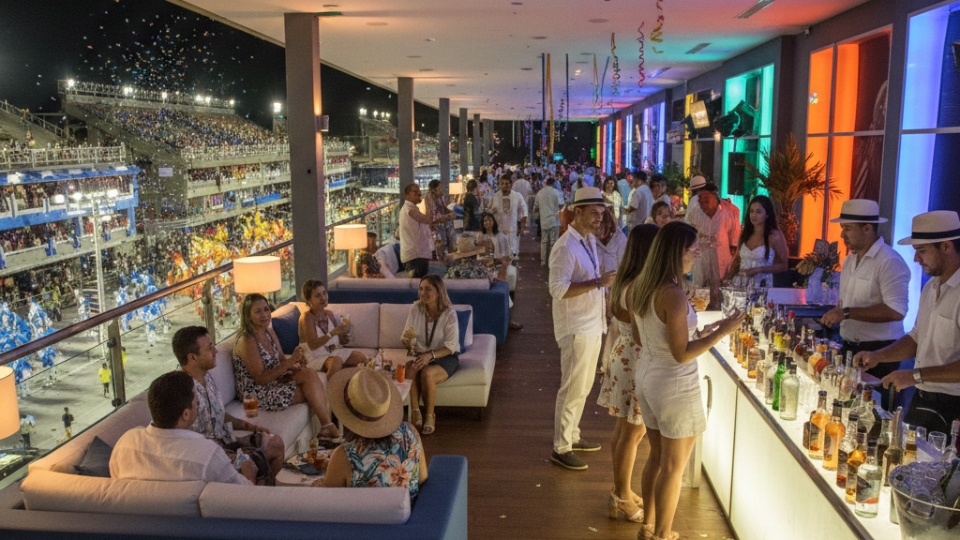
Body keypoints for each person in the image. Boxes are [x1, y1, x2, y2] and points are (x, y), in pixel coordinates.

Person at [628, 222, 743, 540]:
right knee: (673, 467)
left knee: (655, 456)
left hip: (648, 378)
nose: (696, 255)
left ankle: (649, 525)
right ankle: (663, 533)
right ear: (677, 253)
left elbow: (642, 335)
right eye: (693, 250)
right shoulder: (673, 294)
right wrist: (721, 331)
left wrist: (697, 333)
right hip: (676, 385)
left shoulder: (641, 286)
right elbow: (681, 354)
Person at [855, 210, 960, 432]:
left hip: (953, 407)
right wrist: (878, 356)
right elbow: (916, 337)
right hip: (923, 398)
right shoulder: (931, 287)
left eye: (921, 251)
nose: (915, 258)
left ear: (947, 247)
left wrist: (915, 375)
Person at [548, 187, 617, 471]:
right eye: (593, 212)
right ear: (577, 212)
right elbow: (557, 289)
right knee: (573, 387)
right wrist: (598, 283)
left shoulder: (586, 240)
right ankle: (561, 446)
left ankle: (572, 435)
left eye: (601, 213)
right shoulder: (565, 247)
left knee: (584, 386)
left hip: (590, 324)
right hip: (576, 327)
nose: (599, 218)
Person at [819, 200, 910, 403]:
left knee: (874, 416)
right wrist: (838, 312)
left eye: (848, 229)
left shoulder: (889, 261)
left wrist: (847, 313)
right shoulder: (850, 259)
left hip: (880, 353)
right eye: (843, 228)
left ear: (867, 228)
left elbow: (896, 311)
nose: (842, 235)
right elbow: (846, 303)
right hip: (849, 348)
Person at [598, 224, 659, 523]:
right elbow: (640, 334)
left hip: (622, 355)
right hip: (634, 359)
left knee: (624, 431)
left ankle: (620, 488)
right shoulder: (638, 284)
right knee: (633, 433)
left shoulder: (626, 279)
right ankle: (621, 495)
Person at [174, 325, 285, 482]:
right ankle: (250, 502)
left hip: (225, 441)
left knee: (275, 443)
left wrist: (249, 426)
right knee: (247, 466)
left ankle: (265, 496)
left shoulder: (206, 377)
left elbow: (218, 414)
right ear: (193, 357)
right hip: (208, 454)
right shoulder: (181, 391)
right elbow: (178, 437)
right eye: (210, 348)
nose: (215, 352)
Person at [110, 371, 255, 485]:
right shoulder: (208, 455)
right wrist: (249, 472)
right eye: (195, 401)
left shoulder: (124, 444)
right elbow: (246, 498)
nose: (198, 403)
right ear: (186, 414)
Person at [233, 293, 341, 443]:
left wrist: (295, 365)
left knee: (309, 374)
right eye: (258, 312)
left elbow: (282, 359)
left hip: (275, 381)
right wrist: (290, 364)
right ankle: (328, 425)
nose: (264, 315)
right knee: (313, 392)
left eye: (266, 309)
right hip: (255, 394)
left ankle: (325, 426)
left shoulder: (268, 332)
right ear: (248, 315)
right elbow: (261, 378)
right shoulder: (247, 340)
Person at [322, 367, 428, 499]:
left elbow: (330, 503)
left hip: (363, 519)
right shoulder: (410, 433)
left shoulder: (344, 456)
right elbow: (422, 479)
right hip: (410, 515)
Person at [402, 274, 461, 435]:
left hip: (445, 357)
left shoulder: (449, 314)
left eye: (428, 289)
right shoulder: (416, 309)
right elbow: (407, 335)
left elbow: (451, 347)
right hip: (422, 355)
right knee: (410, 367)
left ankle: (429, 415)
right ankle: (415, 412)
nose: (423, 293)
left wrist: (431, 356)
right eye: (421, 289)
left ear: (439, 291)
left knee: (427, 373)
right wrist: (408, 343)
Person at [298, 279, 367, 378]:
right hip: (314, 357)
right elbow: (312, 345)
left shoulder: (329, 314)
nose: (323, 298)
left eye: (324, 293)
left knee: (361, 358)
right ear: (309, 300)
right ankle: (332, 389)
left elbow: (338, 340)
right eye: (317, 296)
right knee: (336, 361)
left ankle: (349, 380)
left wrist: (344, 337)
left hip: (332, 353)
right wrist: (333, 332)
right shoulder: (307, 317)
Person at [685, 183, 740, 304]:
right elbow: (687, 230)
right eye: (701, 200)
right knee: (698, 286)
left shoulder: (731, 210)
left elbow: (734, 239)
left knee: (718, 289)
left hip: (721, 255)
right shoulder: (694, 208)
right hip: (700, 254)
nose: (703, 203)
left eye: (707, 200)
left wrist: (732, 262)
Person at [723, 195, 788, 288]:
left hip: (761, 284)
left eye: (758, 212)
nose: (754, 215)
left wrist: (759, 269)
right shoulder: (745, 232)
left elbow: (783, 265)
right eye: (751, 211)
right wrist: (728, 276)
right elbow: (737, 258)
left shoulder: (775, 235)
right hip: (740, 282)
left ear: (767, 214)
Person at [399, 183, 440, 278]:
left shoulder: (413, 209)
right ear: (407, 195)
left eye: (419, 191)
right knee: (418, 286)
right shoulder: (409, 210)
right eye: (415, 192)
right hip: (415, 257)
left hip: (419, 256)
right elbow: (428, 220)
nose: (419, 194)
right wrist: (429, 203)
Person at [488, 174, 528, 257]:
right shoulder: (495, 196)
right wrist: (491, 211)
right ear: (499, 185)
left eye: (506, 183)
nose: (504, 186)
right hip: (499, 232)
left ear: (511, 184)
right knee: (499, 256)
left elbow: (524, 212)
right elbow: (489, 212)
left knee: (512, 257)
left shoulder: (517, 196)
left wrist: (522, 227)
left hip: (512, 232)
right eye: (502, 183)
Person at [535, 176, 565, 266]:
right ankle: (551, 261)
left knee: (544, 241)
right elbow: (561, 204)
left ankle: (543, 261)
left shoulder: (540, 193)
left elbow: (536, 207)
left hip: (543, 220)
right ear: (553, 184)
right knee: (553, 242)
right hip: (554, 220)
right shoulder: (556, 192)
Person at [424, 179, 456, 257]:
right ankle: (442, 260)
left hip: (445, 222)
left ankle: (451, 256)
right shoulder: (429, 196)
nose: (441, 189)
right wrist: (448, 216)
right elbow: (434, 214)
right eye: (439, 187)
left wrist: (451, 213)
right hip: (436, 224)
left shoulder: (440, 195)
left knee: (451, 240)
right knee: (441, 245)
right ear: (434, 189)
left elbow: (445, 208)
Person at [596, 205, 627, 277]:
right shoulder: (590, 238)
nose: (597, 231)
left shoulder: (620, 239)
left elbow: (624, 269)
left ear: (608, 225)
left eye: (601, 227)